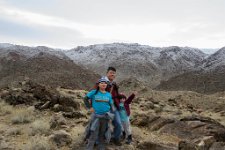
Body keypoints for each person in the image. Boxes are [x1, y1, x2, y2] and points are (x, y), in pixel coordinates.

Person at [83, 77, 115, 150]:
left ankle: (101, 147)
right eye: (102, 83)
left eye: (105, 83)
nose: (103, 84)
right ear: (98, 84)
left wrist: (111, 112)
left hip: (105, 117)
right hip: (96, 117)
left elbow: (111, 104)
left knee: (102, 133)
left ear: (107, 85)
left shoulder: (108, 95)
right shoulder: (94, 92)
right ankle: (89, 147)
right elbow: (85, 99)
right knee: (93, 133)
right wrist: (90, 107)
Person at [102, 67, 123, 146]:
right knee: (103, 124)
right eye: (111, 72)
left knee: (118, 123)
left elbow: (116, 94)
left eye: (114, 73)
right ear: (107, 73)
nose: (112, 74)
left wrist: (120, 97)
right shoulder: (102, 82)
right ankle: (101, 139)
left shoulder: (114, 84)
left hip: (114, 107)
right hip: (104, 107)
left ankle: (116, 138)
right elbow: (95, 92)